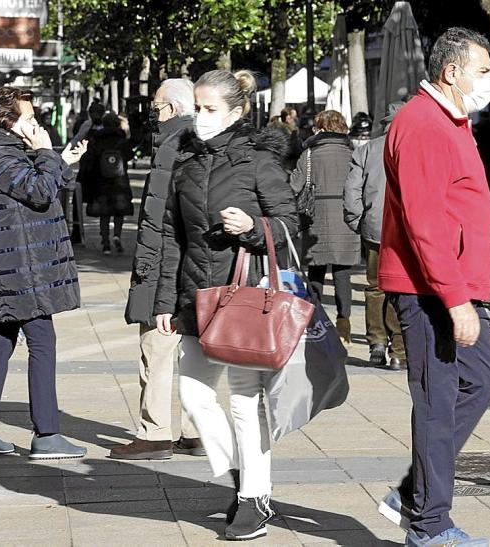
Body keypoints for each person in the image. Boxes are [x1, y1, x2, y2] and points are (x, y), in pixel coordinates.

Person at [154, 69, 298, 541]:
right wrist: (166, 301)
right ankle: (243, 477)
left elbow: (292, 224)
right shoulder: (185, 162)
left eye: (211, 109)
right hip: (196, 296)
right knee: (194, 395)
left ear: (237, 113)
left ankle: (255, 495)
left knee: (242, 401)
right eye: (198, 108)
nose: (201, 118)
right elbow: (172, 237)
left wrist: (254, 228)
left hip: (245, 297)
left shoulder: (258, 161)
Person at [377, 28, 490, 546]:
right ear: (452, 72)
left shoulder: (450, 120)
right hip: (429, 288)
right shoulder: (425, 123)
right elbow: (425, 223)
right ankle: (429, 526)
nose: (488, 80)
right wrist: (454, 299)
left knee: (481, 380)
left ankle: (414, 493)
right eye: (483, 70)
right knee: (436, 400)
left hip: (450, 284)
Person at [0, 87, 88, 459]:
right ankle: (47, 434)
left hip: (9, 261)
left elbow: (23, 190)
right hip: (22, 265)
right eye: (28, 118)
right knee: (43, 342)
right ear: (7, 119)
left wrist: (61, 161)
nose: (35, 124)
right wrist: (47, 153)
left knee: (2, 338)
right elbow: (39, 192)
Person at [112, 78, 203, 461]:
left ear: (174, 110)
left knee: (157, 348)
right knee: (195, 353)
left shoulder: (170, 148)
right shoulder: (203, 144)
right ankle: (196, 431)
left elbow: (157, 225)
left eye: (157, 107)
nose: (153, 114)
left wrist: (148, 280)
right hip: (199, 269)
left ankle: (154, 433)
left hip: (168, 267)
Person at [343, 102, 405, 370]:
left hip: (375, 227)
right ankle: (399, 350)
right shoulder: (416, 145)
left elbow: (352, 191)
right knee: (401, 288)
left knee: (374, 287)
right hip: (406, 230)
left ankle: (376, 342)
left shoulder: (367, 149)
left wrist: (358, 221)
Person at [290, 110, 360, 345]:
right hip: (345, 215)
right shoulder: (353, 152)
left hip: (316, 215)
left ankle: (316, 319)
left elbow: (295, 185)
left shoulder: (309, 154)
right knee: (342, 273)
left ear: (320, 128)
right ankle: (344, 323)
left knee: (316, 271)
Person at [82, 112, 135, 254]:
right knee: (119, 212)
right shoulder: (122, 139)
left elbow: (90, 158)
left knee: (104, 214)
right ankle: (117, 235)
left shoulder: (97, 139)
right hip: (120, 181)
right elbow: (130, 155)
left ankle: (105, 243)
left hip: (101, 181)